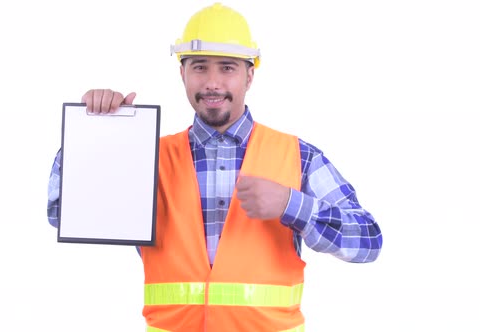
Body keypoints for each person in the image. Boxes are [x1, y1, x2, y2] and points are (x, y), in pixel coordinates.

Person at [47, 3, 382, 331]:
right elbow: (61, 212)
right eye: (199, 67)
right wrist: (96, 132)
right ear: (182, 73)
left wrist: (292, 205)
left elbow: (368, 240)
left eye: (227, 67)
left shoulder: (298, 156)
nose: (212, 82)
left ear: (249, 75)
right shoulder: (147, 156)